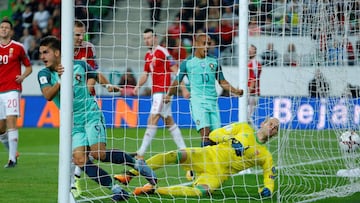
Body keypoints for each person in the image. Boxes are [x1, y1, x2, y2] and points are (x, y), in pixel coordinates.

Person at [37, 35, 157, 201]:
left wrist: (107, 85)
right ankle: (115, 189)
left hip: (91, 114)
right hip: (72, 122)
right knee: (80, 159)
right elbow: (48, 95)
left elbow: (96, 74)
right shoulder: (44, 74)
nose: (42, 57)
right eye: (40, 53)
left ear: (57, 53)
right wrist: (61, 81)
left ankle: (137, 165)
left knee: (99, 153)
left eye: (45, 52)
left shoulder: (78, 65)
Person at [117, 117, 280, 198]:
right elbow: (214, 135)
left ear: (275, 134)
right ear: (263, 123)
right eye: (270, 123)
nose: (272, 127)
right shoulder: (243, 128)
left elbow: (269, 174)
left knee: (200, 192)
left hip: (218, 175)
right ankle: (130, 174)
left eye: (276, 128)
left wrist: (268, 188)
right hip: (206, 156)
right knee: (175, 155)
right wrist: (231, 139)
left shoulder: (266, 155)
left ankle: (152, 189)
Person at [165, 32, 243, 147]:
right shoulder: (187, 63)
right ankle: (206, 164)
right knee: (205, 134)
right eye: (204, 43)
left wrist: (235, 91)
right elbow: (176, 81)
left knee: (216, 137)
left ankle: (213, 162)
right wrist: (168, 95)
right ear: (196, 44)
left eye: (209, 43)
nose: (207, 46)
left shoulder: (214, 61)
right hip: (198, 102)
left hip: (213, 102)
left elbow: (222, 81)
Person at [126, 28, 187, 161]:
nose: (147, 40)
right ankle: (184, 149)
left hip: (164, 92)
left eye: (149, 37)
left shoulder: (162, 51)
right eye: (145, 38)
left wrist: (183, 88)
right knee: (169, 121)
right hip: (156, 92)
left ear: (155, 38)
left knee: (152, 119)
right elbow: (145, 74)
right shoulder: (148, 55)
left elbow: (176, 70)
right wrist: (137, 86)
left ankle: (140, 153)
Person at [0, 19, 33, 168]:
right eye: (2, 27)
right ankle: (13, 152)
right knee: (1, 129)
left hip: (12, 89)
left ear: (11, 31)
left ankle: (12, 159)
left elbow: (29, 67)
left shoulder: (18, 47)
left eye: (7, 28)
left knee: (11, 121)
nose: (4, 29)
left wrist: (23, 77)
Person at [247, 44, 262, 127]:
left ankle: (257, 131)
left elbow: (254, 79)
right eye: (249, 49)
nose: (249, 51)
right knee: (247, 115)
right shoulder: (249, 63)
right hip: (249, 92)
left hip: (253, 93)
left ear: (255, 52)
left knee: (247, 116)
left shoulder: (255, 64)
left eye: (251, 50)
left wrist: (248, 91)